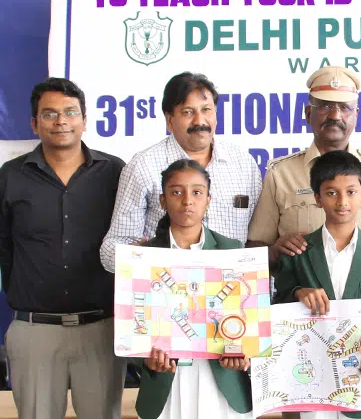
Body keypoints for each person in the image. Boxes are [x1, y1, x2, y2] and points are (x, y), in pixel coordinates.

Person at [0, 78, 126, 418]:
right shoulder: (10, 176)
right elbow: (5, 249)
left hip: (102, 329)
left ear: (85, 120)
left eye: (71, 112)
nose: (61, 121)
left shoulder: (115, 172)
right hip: (34, 330)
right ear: (34, 123)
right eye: (50, 114)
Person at [273, 150, 361, 419]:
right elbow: (277, 307)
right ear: (317, 198)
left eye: (351, 191)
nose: (342, 201)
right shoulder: (298, 252)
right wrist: (298, 293)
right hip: (309, 380)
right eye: (331, 192)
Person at [247, 66, 361, 270]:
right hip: (303, 295)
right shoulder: (280, 174)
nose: (335, 116)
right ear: (308, 113)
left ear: (356, 115)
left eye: (344, 108)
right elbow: (256, 244)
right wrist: (275, 252)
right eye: (325, 106)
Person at [100, 72, 262, 272]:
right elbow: (110, 249)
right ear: (170, 120)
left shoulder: (243, 164)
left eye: (206, 110)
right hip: (163, 290)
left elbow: (258, 241)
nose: (199, 121)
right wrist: (137, 257)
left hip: (229, 292)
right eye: (187, 112)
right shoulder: (143, 166)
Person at [133, 159, 253, 419]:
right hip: (167, 383)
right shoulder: (143, 258)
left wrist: (245, 354)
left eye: (197, 192)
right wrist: (145, 358)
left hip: (222, 381)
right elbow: (131, 327)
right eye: (176, 192)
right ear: (163, 201)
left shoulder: (233, 252)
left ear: (208, 199)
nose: (187, 200)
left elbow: (250, 320)